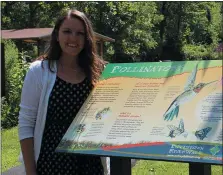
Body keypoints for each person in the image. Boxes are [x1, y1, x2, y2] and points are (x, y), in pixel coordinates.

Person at [18, 9, 110, 175]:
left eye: (80, 33)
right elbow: (26, 125)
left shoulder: (98, 73)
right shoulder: (39, 71)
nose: (73, 38)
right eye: (67, 31)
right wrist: (31, 172)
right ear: (57, 35)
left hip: (91, 165)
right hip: (51, 165)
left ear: (87, 38)